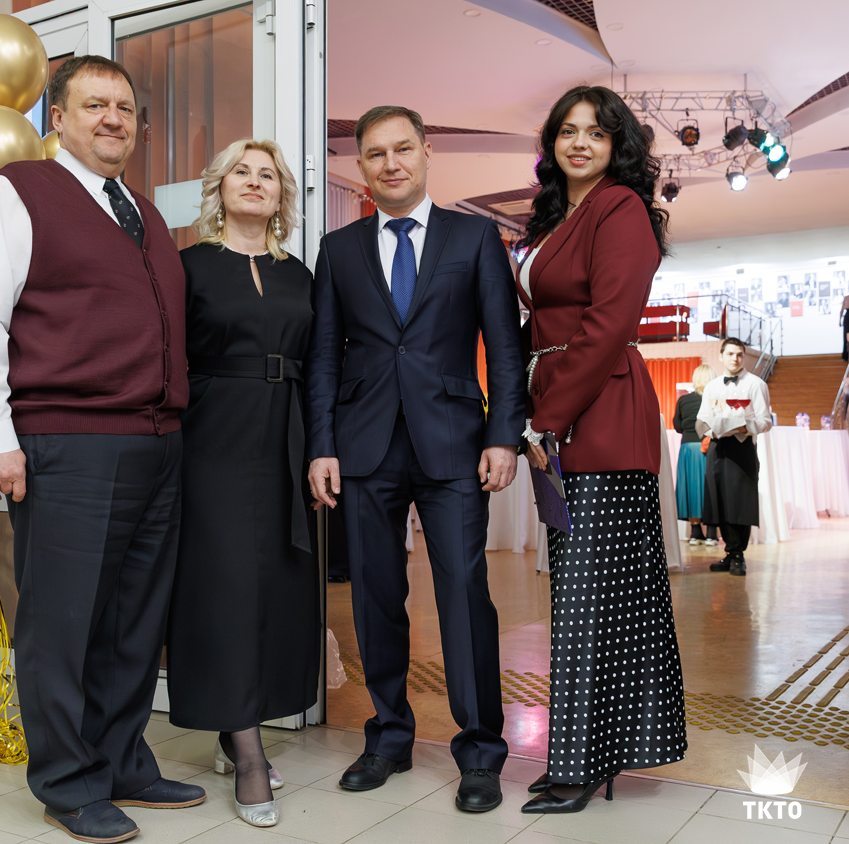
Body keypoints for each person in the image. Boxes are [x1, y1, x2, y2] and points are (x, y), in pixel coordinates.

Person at [0, 55, 205, 844]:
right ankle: (66, 782)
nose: (113, 119)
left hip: (156, 443)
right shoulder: (18, 192)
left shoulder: (142, 212)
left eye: (124, 107)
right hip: (68, 442)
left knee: (133, 623)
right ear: (56, 118)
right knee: (62, 625)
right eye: (94, 105)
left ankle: (121, 762)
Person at [306, 105, 526, 814]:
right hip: (363, 444)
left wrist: (503, 434)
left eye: (403, 149)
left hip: (454, 442)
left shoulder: (475, 237)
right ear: (362, 167)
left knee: (464, 595)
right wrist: (321, 444)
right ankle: (389, 738)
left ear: (427, 152)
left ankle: (480, 751)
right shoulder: (338, 249)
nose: (391, 163)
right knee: (374, 597)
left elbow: (505, 343)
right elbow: (323, 358)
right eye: (375, 154)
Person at [515, 85, 687, 814]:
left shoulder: (620, 209)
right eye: (567, 131)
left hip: (600, 415)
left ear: (618, 145)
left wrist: (545, 419)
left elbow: (609, 324)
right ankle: (590, 755)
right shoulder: (557, 215)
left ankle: (580, 765)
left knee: (594, 601)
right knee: (584, 598)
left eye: (595, 132)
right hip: (562, 413)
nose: (579, 143)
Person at [166, 139, 318, 828]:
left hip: (286, 436)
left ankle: (239, 728)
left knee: (275, 587)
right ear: (219, 188)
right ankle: (248, 753)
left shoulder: (299, 275)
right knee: (223, 589)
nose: (255, 182)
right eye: (241, 172)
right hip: (211, 437)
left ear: (281, 194)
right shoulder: (188, 266)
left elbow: (320, 365)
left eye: (267, 175)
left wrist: (319, 449)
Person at [697, 337, 772, 577]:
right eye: (730, 354)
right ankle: (730, 552)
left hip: (743, 448)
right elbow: (702, 419)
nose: (735, 359)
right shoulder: (712, 386)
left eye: (739, 354)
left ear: (744, 357)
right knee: (718, 500)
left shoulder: (756, 384)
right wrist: (710, 428)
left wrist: (743, 426)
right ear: (721, 356)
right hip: (717, 447)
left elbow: (765, 421)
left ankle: (738, 554)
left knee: (741, 502)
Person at [673, 364, 718, 545]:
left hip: (687, 448)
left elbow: (678, 426)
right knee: (710, 488)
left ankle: (695, 533)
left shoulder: (683, 400)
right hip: (708, 446)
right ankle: (712, 534)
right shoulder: (715, 400)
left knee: (691, 489)